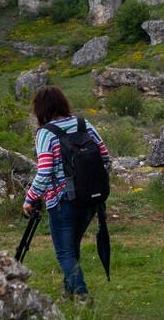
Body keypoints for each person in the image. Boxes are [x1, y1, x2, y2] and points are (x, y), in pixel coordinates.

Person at [22, 85, 111, 299]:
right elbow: (105, 157)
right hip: (90, 199)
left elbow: (44, 172)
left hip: (62, 201)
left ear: (40, 109)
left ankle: (81, 294)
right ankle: (68, 293)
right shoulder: (83, 123)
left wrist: (30, 199)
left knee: (64, 252)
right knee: (72, 247)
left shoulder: (45, 133)